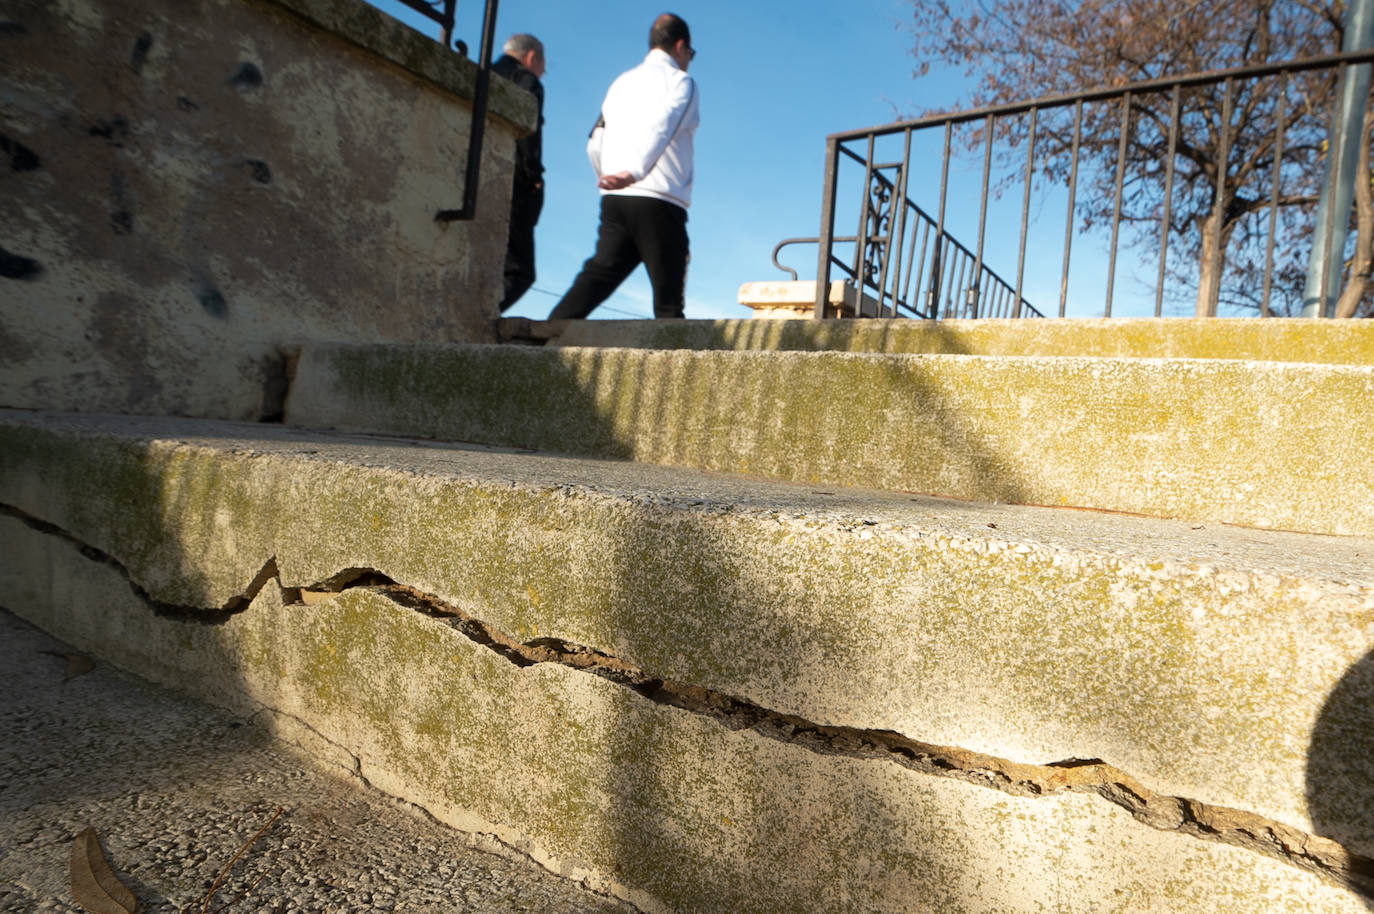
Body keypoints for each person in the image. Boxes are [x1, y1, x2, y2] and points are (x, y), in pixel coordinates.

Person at [549, 13, 700, 320]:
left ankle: (539, 339)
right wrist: (635, 172)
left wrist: (607, 178)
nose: (689, 60)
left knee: (597, 276)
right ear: (681, 46)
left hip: (615, 202)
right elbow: (665, 125)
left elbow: (595, 138)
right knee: (669, 305)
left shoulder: (622, 82)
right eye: (691, 54)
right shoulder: (681, 82)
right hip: (660, 201)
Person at [493, 34, 546, 312]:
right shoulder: (526, 80)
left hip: (474, 177)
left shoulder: (486, 73)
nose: (542, 72)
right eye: (542, 65)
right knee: (520, 272)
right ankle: (481, 315)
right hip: (513, 183)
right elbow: (528, 136)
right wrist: (533, 176)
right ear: (531, 57)